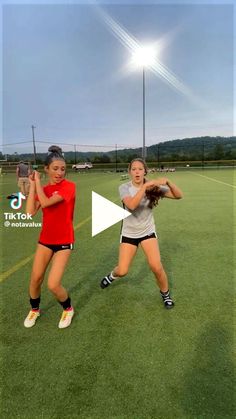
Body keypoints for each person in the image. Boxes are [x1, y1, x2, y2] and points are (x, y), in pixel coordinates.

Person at [100, 158, 183, 308]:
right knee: (123, 270)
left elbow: (178, 195)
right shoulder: (124, 187)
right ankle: (112, 276)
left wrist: (168, 182)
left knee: (156, 266)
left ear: (145, 171)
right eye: (134, 169)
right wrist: (145, 187)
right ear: (129, 172)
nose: (137, 171)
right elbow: (131, 205)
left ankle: (165, 294)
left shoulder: (153, 187)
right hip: (129, 233)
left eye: (140, 169)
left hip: (147, 232)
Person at [24, 146, 76, 329]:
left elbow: (45, 203)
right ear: (47, 169)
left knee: (53, 284)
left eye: (62, 169)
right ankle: (35, 309)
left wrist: (37, 183)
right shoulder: (43, 188)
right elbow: (30, 212)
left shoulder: (69, 187)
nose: (60, 172)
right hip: (45, 240)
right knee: (35, 279)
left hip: (64, 241)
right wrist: (32, 187)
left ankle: (68, 308)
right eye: (55, 168)